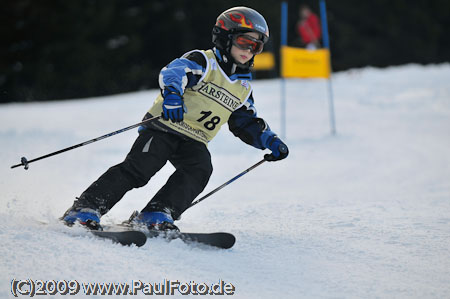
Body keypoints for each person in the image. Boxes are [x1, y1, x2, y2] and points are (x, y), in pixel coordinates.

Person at [62, 6, 289, 232]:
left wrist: (269, 140)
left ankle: (157, 213)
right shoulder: (204, 62)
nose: (249, 50)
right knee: (140, 169)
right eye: (244, 41)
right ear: (225, 37)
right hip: (164, 127)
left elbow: (246, 122)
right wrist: (172, 95)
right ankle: (86, 207)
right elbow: (174, 72)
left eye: (255, 46)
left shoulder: (242, 87)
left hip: (194, 139)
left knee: (199, 169)